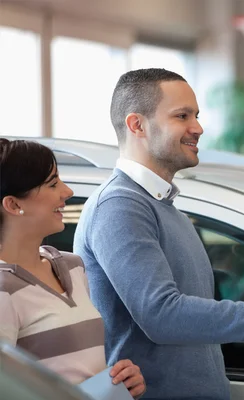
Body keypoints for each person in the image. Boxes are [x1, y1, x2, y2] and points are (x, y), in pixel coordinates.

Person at [73, 68, 244, 400]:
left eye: (196, 115)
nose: (198, 128)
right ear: (137, 125)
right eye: (182, 116)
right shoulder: (120, 206)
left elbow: (192, 312)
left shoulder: (161, 203)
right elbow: (163, 315)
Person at [0, 139, 146, 398]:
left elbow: (76, 372)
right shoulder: (4, 289)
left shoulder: (72, 266)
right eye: (53, 184)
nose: (67, 192)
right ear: (13, 205)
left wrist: (117, 381)